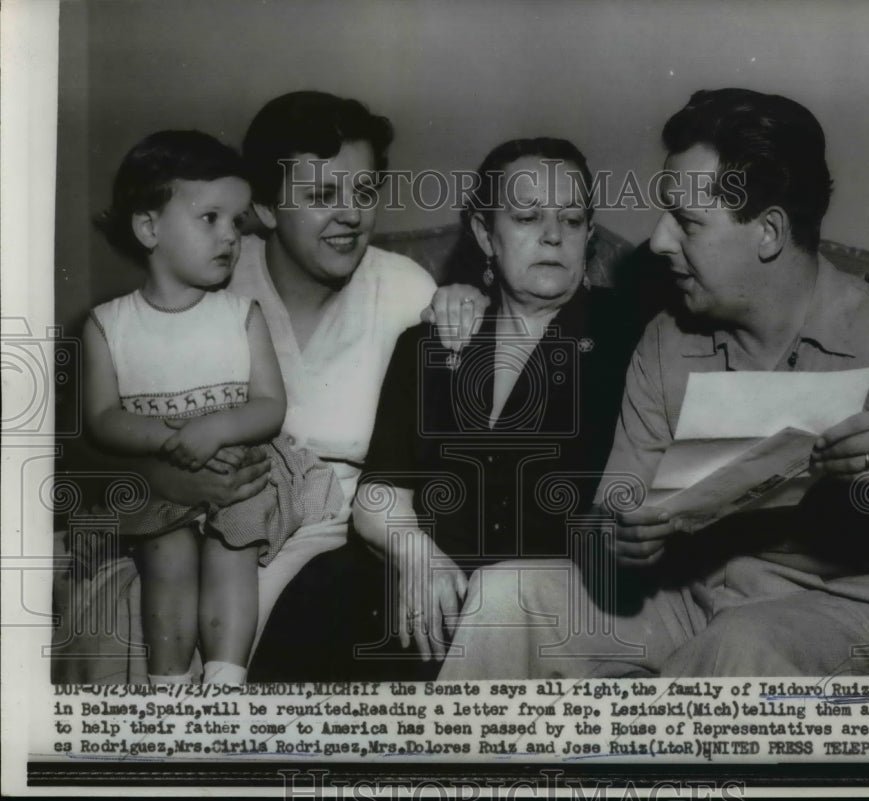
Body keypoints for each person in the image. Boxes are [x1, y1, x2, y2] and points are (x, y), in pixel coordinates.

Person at [437, 89, 869, 679]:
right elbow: (608, 515)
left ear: (769, 232)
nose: (658, 241)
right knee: (506, 597)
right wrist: (616, 536)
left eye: (687, 221)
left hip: (837, 617)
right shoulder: (666, 339)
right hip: (685, 599)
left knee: (743, 641)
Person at [57, 92, 487, 683]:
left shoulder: (406, 288)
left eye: (364, 193)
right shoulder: (216, 272)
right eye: (319, 196)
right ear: (263, 204)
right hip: (185, 514)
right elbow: (89, 429)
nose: (351, 215)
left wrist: (468, 300)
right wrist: (158, 477)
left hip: (335, 534)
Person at [249, 137, 642, 680]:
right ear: (485, 234)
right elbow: (381, 490)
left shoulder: (628, 334)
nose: (553, 235)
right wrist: (418, 556)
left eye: (572, 220)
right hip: (425, 577)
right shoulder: (430, 344)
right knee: (324, 590)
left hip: (537, 594)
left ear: (589, 236)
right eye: (527, 217)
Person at [83, 130, 343, 685]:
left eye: (237, 222)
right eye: (211, 219)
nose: (231, 236)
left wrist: (217, 428)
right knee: (166, 554)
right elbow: (103, 418)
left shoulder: (239, 314)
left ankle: (226, 678)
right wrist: (167, 441)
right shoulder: (109, 324)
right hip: (166, 477)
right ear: (149, 227)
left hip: (243, 471)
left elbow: (270, 406)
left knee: (233, 545)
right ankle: (169, 682)